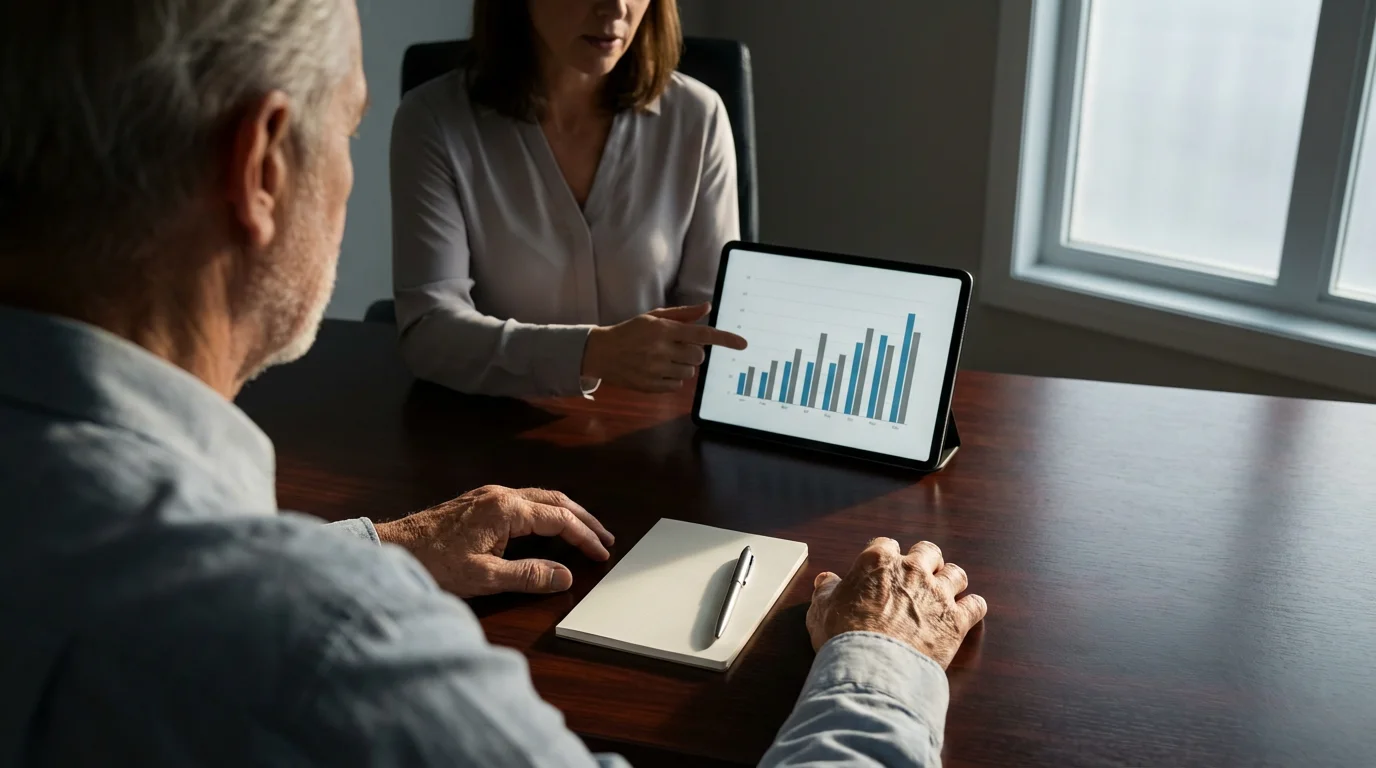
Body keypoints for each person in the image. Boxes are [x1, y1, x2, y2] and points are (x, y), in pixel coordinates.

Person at [0, 0, 987, 766]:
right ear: (260, 166)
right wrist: (881, 659)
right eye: (346, 129)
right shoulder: (330, 647)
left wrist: (381, 545)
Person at [391, 0, 749, 398]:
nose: (615, 8)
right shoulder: (433, 121)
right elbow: (429, 331)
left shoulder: (698, 116)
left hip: (651, 420)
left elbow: (715, 321)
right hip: (491, 421)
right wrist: (591, 353)